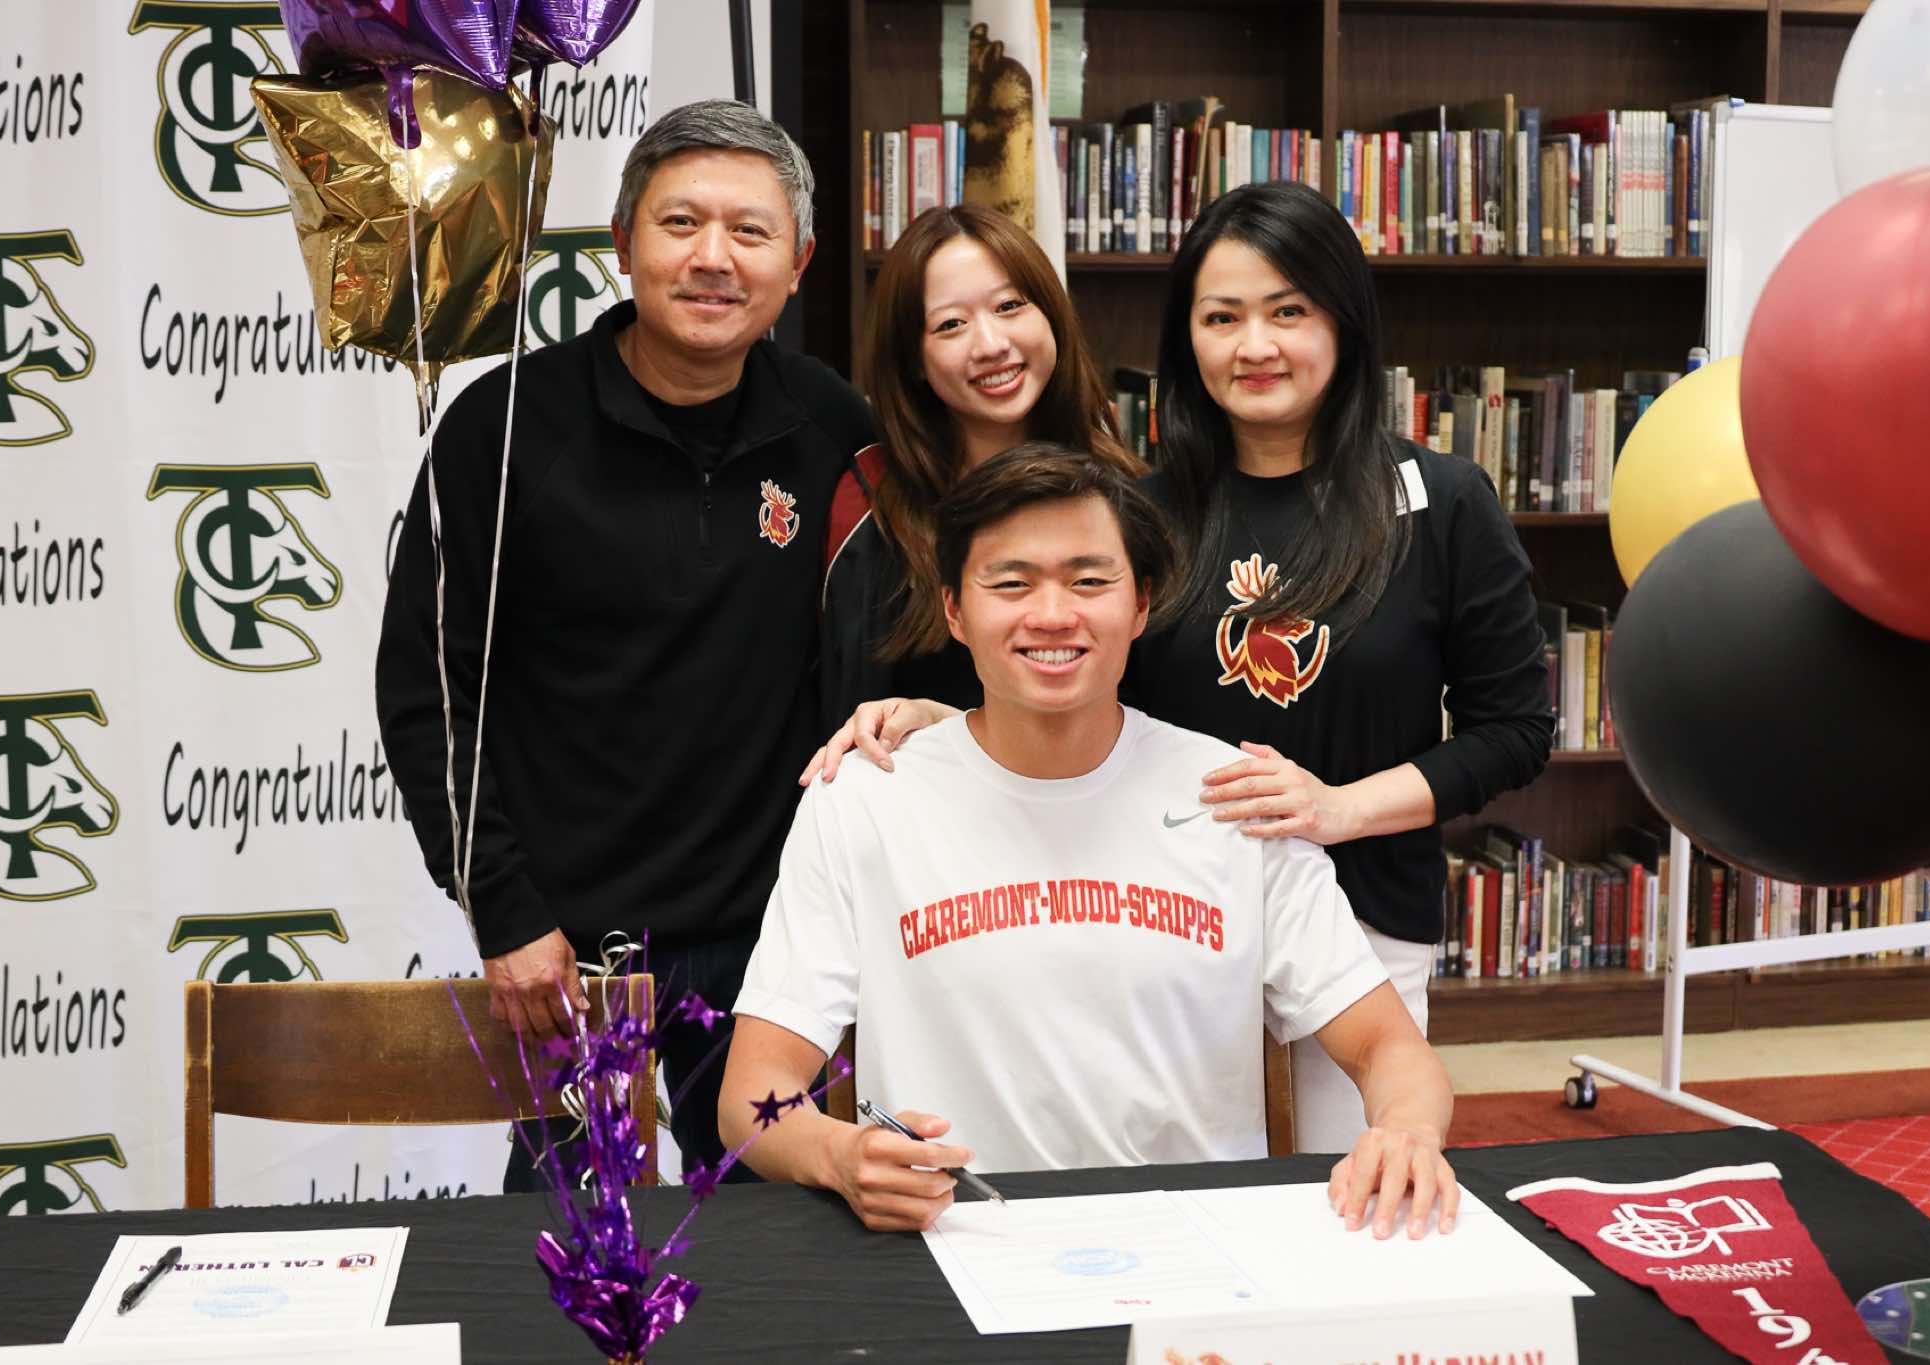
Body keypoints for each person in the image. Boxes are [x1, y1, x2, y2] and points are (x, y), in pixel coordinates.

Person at [807, 182, 1553, 1156]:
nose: (1255, 345)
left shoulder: (1440, 500)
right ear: (1186, 339)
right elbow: (1085, 698)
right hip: (1161, 921)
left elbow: (1514, 731)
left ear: (1344, 320)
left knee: (1346, 1194)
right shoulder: (1141, 508)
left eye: (1288, 310)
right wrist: (937, 719)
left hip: (1364, 913)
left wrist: (1337, 809)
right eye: (1221, 317)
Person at [723, 443, 1459, 1238]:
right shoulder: (865, 800)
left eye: (1088, 581)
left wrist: (1405, 1130)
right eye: (1012, 583)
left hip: (1199, 1256)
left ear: (1141, 604)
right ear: (955, 611)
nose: (1051, 614)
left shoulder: (1234, 799)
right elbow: (751, 1096)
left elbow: (1390, 1047)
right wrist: (838, 1154)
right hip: (958, 1245)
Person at [376, 99, 878, 1191]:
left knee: (778, 1246)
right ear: (620, 242)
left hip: (772, 943)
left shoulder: (831, 425)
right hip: (567, 950)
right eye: (680, 223)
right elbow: (427, 693)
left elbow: (889, 643)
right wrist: (504, 911)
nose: (713, 258)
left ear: (798, 264)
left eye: (750, 232)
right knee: (570, 1251)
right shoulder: (504, 428)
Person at [814, 203, 1140, 745]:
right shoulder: (874, 511)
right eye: (951, 325)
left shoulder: (1124, 495)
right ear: (913, 360)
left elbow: (1153, 713)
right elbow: (855, 732)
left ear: (1052, 314)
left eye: (1010, 306)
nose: (991, 345)